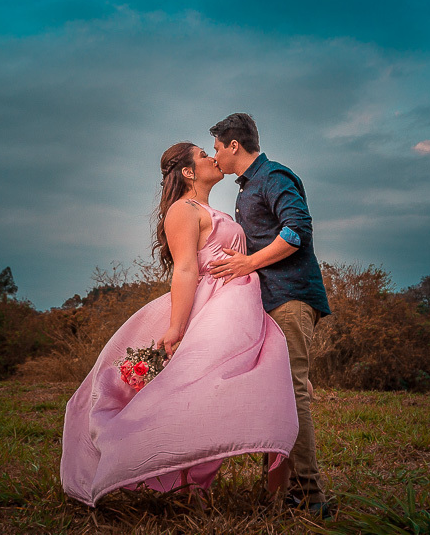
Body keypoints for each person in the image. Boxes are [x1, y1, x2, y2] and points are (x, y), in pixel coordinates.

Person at [60, 142, 298, 508]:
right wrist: (176, 327)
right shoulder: (182, 210)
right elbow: (186, 268)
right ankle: (180, 483)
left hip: (242, 306)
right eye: (204, 155)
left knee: (262, 386)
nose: (211, 158)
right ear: (188, 172)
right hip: (214, 308)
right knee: (194, 392)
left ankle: (274, 496)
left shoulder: (210, 209)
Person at [207, 113, 333, 517]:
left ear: (233, 146)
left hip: (292, 298)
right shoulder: (247, 189)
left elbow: (297, 230)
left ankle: (310, 498)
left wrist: (248, 264)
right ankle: (280, 492)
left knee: (293, 394)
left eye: (216, 148)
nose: (215, 156)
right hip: (270, 302)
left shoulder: (275, 176)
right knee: (275, 395)